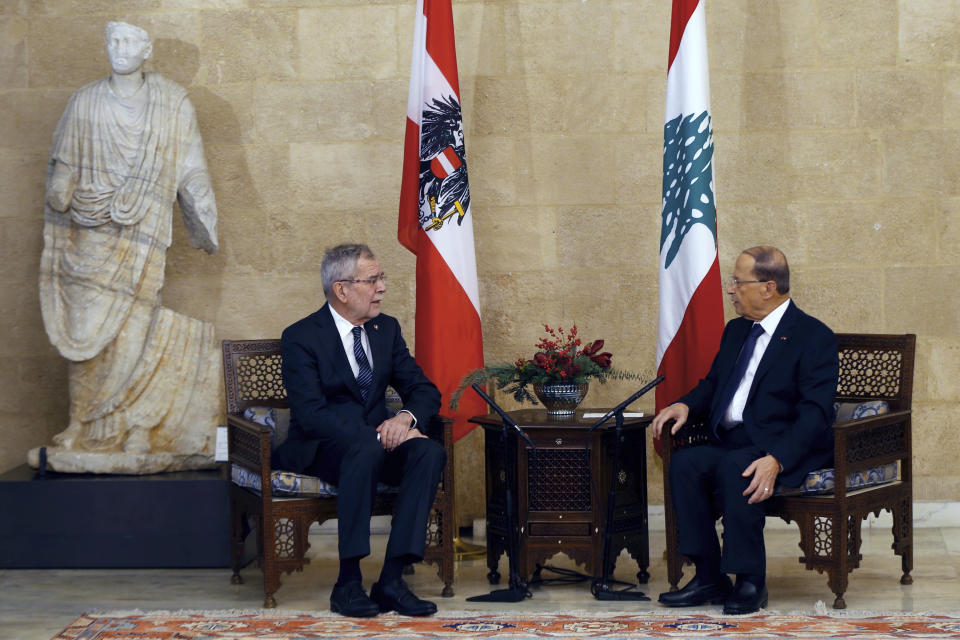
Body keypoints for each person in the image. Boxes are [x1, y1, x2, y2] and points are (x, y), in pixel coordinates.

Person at [32, 21, 220, 473]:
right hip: (88, 229)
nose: (120, 48)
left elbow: (190, 162)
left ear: (147, 49)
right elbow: (64, 161)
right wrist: (60, 186)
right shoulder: (86, 100)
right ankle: (80, 422)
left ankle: (132, 424)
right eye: (113, 41)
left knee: (136, 322)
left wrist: (203, 214)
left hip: (142, 230)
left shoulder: (171, 101)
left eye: (130, 41)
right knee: (84, 332)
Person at [651, 246, 838, 615]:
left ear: (768, 287)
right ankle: (708, 576)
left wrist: (778, 460)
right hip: (734, 440)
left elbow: (815, 415)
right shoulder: (737, 330)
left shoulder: (813, 336)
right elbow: (714, 383)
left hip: (778, 445)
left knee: (737, 467)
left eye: (738, 282)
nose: (731, 290)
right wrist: (685, 403)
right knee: (686, 464)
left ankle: (750, 580)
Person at [273, 243, 446, 618]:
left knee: (428, 451)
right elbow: (310, 414)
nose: (382, 287)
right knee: (364, 450)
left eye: (381, 278)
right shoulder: (302, 336)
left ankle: (392, 581)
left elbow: (424, 390)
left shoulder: (387, 329)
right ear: (342, 289)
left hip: (376, 445)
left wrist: (405, 421)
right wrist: (375, 437)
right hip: (323, 449)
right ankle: (347, 583)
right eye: (373, 280)